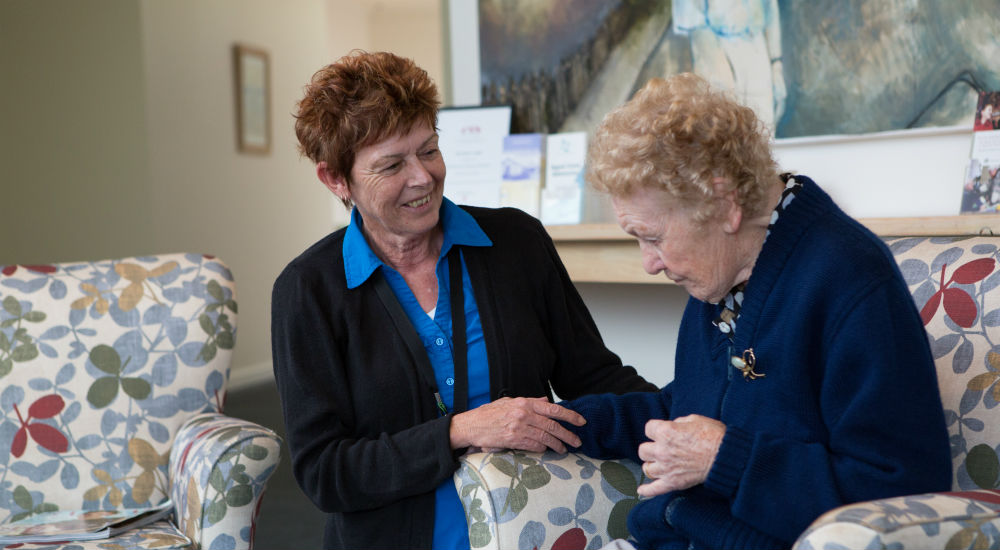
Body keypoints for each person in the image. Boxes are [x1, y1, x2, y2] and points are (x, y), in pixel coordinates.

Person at [270, 50, 657, 550]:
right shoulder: (307, 291)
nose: (422, 177)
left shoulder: (517, 242)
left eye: (428, 150)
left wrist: (689, 415)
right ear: (336, 180)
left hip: (535, 531)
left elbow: (594, 376)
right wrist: (458, 431)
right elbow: (326, 472)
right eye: (391, 165)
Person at [558, 73, 952, 549]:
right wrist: (561, 423)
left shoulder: (850, 280)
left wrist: (726, 459)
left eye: (654, 237)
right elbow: (688, 410)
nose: (649, 263)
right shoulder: (725, 280)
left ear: (725, 204)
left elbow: (902, 494)